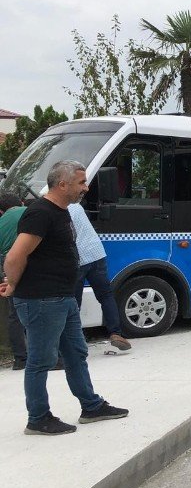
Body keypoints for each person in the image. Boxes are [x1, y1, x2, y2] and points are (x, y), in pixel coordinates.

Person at [0, 161, 128, 435]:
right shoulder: (40, 214)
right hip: (42, 300)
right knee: (40, 360)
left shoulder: (63, 211)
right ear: (62, 184)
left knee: (76, 354)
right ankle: (38, 418)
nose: (86, 187)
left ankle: (91, 406)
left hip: (63, 298)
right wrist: (12, 284)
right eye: (81, 182)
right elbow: (14, 256)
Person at [69, 203, 132, 352]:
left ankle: (76, 339)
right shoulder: (77, 206)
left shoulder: (58, 209)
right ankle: (116, 333)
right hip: (96, 253)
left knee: (73, 301)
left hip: (77, 259)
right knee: (105, 295)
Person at [0, 193, 28, 370]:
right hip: (28, 260)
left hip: (5, 262)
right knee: (38, 307)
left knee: (14, 312)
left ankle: (20, 359)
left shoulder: (2, 221)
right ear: (22, 203)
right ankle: (52, 356)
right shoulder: (30, 212)